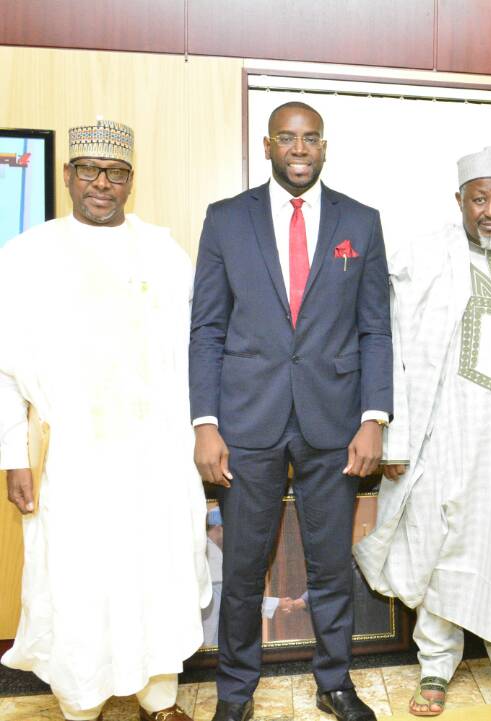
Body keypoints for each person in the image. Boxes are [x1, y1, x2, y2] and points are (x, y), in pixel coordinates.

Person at [354, 146, 491, 717]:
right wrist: (397, 439)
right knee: (444, 547)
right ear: (460, 200)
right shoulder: (423, 260)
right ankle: (435, 667)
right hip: (450, 439)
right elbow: (397, 350)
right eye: (479, 198)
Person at [0, 119, 210, 721]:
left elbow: (198, 351)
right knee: (76, 580)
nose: (101, 184)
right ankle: (81, 703)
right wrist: (14, 456)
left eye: (115, 173)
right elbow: (6, 372)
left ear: (130, 182)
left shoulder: (165, 255)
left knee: (159, 570)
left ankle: (159, 699)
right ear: (68, 176)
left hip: (156, 452)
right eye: (89, 170)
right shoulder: (26, 257)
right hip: (71, 456)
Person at [189, 101, 391, 721]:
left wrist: (373, 417)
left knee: (332, 567)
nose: (299, 149)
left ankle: (334, 683)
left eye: (310, 139)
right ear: (270, 145)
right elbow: (207, 331)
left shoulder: (362, 220)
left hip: (334, 426)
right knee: (245, 572)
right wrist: (205, 424)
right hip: (247, 425)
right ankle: (236, 694)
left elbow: (376, 330)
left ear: (324, 147)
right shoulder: (226, 220)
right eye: (287, 138)